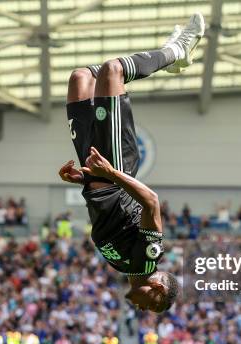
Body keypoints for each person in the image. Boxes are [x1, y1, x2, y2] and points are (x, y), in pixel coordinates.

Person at [57, 14, 205, 313]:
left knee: (80, 78)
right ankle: (176, 51)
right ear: (159, 289)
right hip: (114, 166)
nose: (142, 308)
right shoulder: (148, 258)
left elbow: (106, 214)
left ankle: (172, 56)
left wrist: (84, 178)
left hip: (94, 171)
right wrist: (110, 172)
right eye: (152, 306)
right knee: (113, 70)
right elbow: (151, 202)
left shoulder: (121, 265)